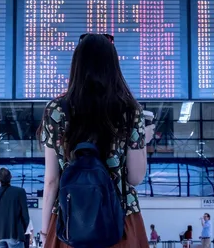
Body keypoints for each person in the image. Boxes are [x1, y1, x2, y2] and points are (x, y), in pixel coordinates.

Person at [37, 33, 155, 248]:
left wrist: (45, 232)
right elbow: (135, 177)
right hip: (119, 219)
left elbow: (52, 181)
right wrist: (142, 141)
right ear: (113, 67)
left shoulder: (55, 110)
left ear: (76, 65)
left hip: (70, 219)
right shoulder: (130, 110)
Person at [0, 168, 30, 248]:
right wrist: (22, 230)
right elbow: (25, 215)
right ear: (10, 177)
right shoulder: (20, 192)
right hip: (15, 233)